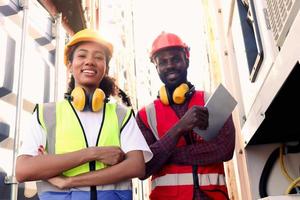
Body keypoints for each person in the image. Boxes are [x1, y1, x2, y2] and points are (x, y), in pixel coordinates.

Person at [16, 28, 152, 200]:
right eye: (82, 56)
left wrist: (69, 181)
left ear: (106, 68)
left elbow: (136, 167)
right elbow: (23, 170)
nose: (90, 61)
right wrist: (94, 153)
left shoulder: (121, 114)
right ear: (69, 66)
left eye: (98, 57)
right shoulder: (46, 114)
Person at [136, 32, 235, 200]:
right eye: (163, 62)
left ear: (186, 60)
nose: (169, 66)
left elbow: (225, 150)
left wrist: (166, 154)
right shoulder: (145, 115)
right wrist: (179, 128)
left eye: (175, 59)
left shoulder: (213, 101)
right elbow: (143, 167)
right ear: (156, 67)